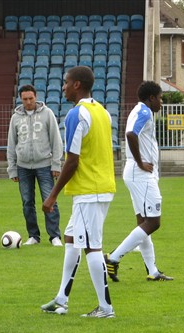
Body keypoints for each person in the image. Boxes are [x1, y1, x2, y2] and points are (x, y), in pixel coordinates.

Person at [40, 66, 117, 318]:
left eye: (66, 82)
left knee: (92, 247)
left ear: (76, 85)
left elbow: (72, 160)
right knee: (71, 238)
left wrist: (52, 195)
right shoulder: (102, 112)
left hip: (88, 190)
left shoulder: (76, 114)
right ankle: (61, 300)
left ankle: (105, 308)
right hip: (101, 186)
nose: (62, 86)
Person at [104, 81, 173, 283]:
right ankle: (113, 257)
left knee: (144, 222)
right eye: (160, 98)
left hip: (136, 173)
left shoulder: (140, 110)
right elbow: (131, 134)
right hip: (140, 174)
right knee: (153, 222)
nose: (161, 103)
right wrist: (140, 162)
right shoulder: (144, 112)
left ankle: (152, 271)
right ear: (151, 98)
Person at [7, 84, 63, 246]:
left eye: (31, 98)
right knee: (27, 202)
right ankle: (33, 236)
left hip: (45, 164)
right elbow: (11, 144)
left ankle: (54, 236)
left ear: (36, 97)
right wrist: (12, 168)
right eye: (25, 99)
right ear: (21, 99)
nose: (28, 101)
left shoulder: (47, 114)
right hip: (23, 167)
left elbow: (56, 140)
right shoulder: (15, 118)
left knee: (49, 200)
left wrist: (56, 164)